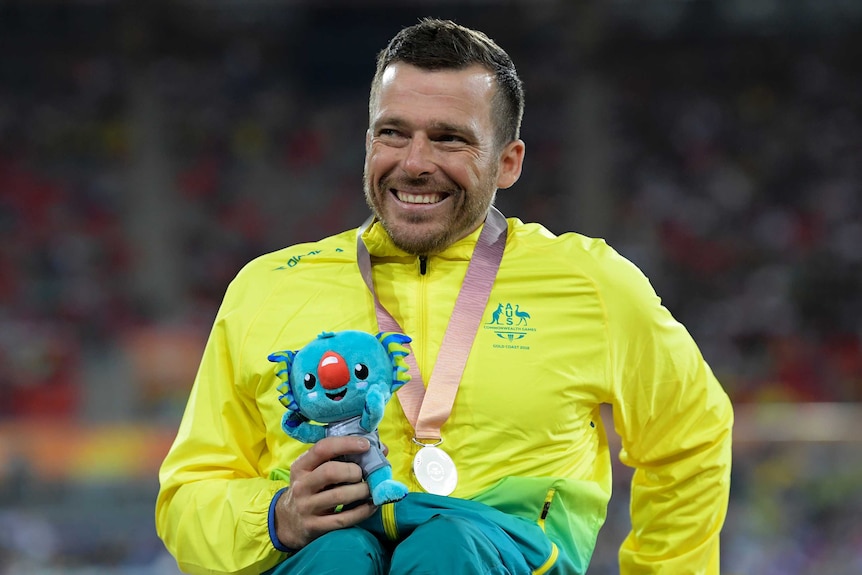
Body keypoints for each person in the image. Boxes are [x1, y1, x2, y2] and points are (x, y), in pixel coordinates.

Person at [156, 17, 733, 575]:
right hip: (326, 560)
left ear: (508, 162)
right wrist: (276, 517)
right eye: (393, 133)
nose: (414, 163)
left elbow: (689, 439)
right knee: (337, 559)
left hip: (493, 556)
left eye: (449, 139)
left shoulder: (593, 285)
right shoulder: (267, 288)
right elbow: (189, 495)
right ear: (367, 144)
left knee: (446, 550)